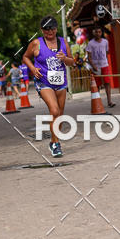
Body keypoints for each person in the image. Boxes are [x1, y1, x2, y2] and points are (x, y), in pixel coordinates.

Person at [22, 16, 75, 158]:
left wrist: (65, 59)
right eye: (46, 29)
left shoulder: (63, 42)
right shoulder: (36, 43)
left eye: (51, 28)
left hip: (61, 83)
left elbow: (72, 62)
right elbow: (25, 57)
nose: (49, 31)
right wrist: (32, 69)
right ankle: (57, 145)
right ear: (42, 30)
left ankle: (53, 141)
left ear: (56, 28)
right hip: (44, 82)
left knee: (59, 115)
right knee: (54, 110)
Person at [86, 26, 116, 107]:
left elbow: (106, 52)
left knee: (107, 82)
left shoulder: (105, 42)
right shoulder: (90, 43)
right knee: (97, 85)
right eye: (96, 32)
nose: (98, 34)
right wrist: (93, 66)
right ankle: (97, 103)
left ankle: (109, 101)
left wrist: (104, 61)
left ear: (101, 32)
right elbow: (89, 57)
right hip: (95, 67)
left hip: (104, 65)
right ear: (93, 33)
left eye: (99, 32)